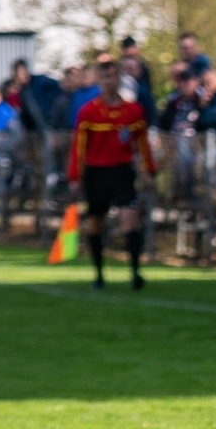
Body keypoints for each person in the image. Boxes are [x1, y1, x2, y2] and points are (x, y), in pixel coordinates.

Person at [68, 59, 155, 290]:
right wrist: (75, 177)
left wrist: (149, 172)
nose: (110, 81)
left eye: (114, 76)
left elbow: (143, 144)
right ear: (99, 81)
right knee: (96, 223)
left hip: (122, 171)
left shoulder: (133, 111)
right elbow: (78, 146)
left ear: (119, 79)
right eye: (106, 77)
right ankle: (98, 274)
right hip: (97, 173)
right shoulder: (89, 112)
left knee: (130, 219)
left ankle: (135, 272)